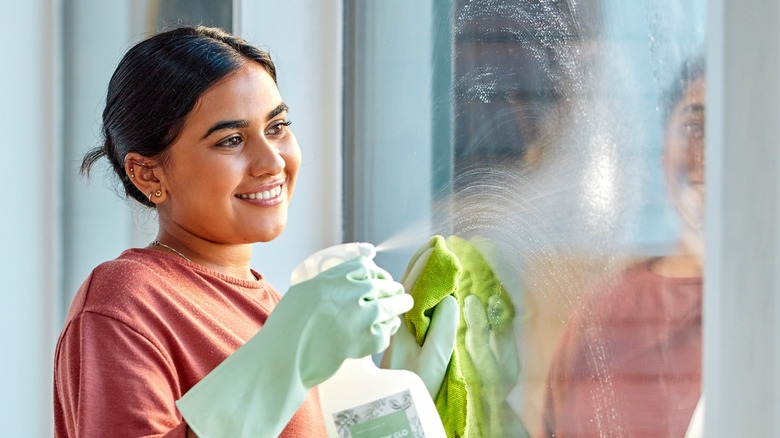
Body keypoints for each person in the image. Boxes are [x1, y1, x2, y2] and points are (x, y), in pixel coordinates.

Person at [53, 26, 457, 438]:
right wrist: (288, 354)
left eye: (277, 126)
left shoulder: (277, 310)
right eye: (231, 140)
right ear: (147, 173)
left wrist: (393, 399)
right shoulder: (125, 300)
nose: (271, 162)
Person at [541, 55, 705, 437]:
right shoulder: (605, 310)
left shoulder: (759, 313)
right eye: (695, 126)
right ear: (664, 155)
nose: (709, 153)